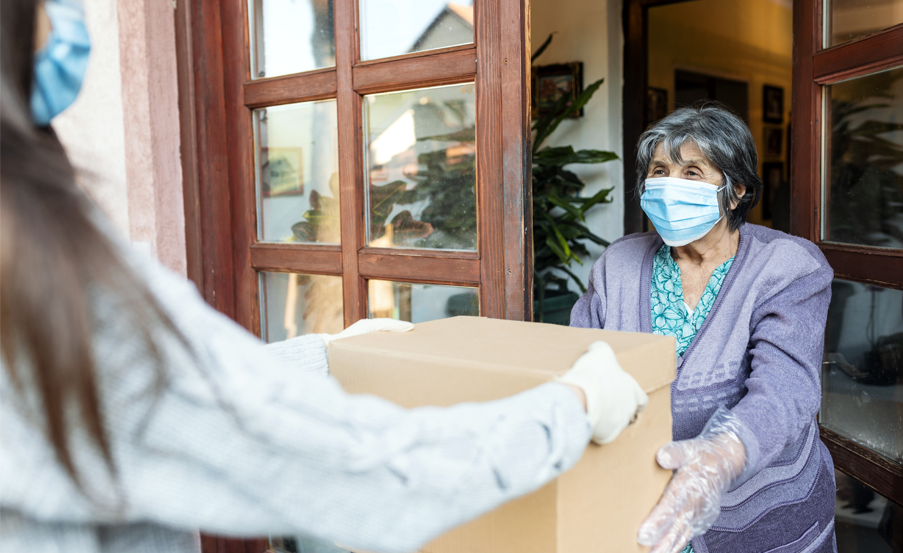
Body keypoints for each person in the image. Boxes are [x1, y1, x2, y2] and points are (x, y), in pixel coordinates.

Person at [0, 1, 650, 552]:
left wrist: (325, 353)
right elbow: (365, 477)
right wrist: (573, 407)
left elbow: (162, 403)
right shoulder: (49, 285)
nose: (70, 16)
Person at [570, 103, 837, 553]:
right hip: (640, 509)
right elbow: (579, 360)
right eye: (659, 170)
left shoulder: (789, 266)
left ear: (736, 192)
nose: (669, 186)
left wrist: (718, 457)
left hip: (760, 520)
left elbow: (786, 390)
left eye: (692, 173)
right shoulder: (617, 264)